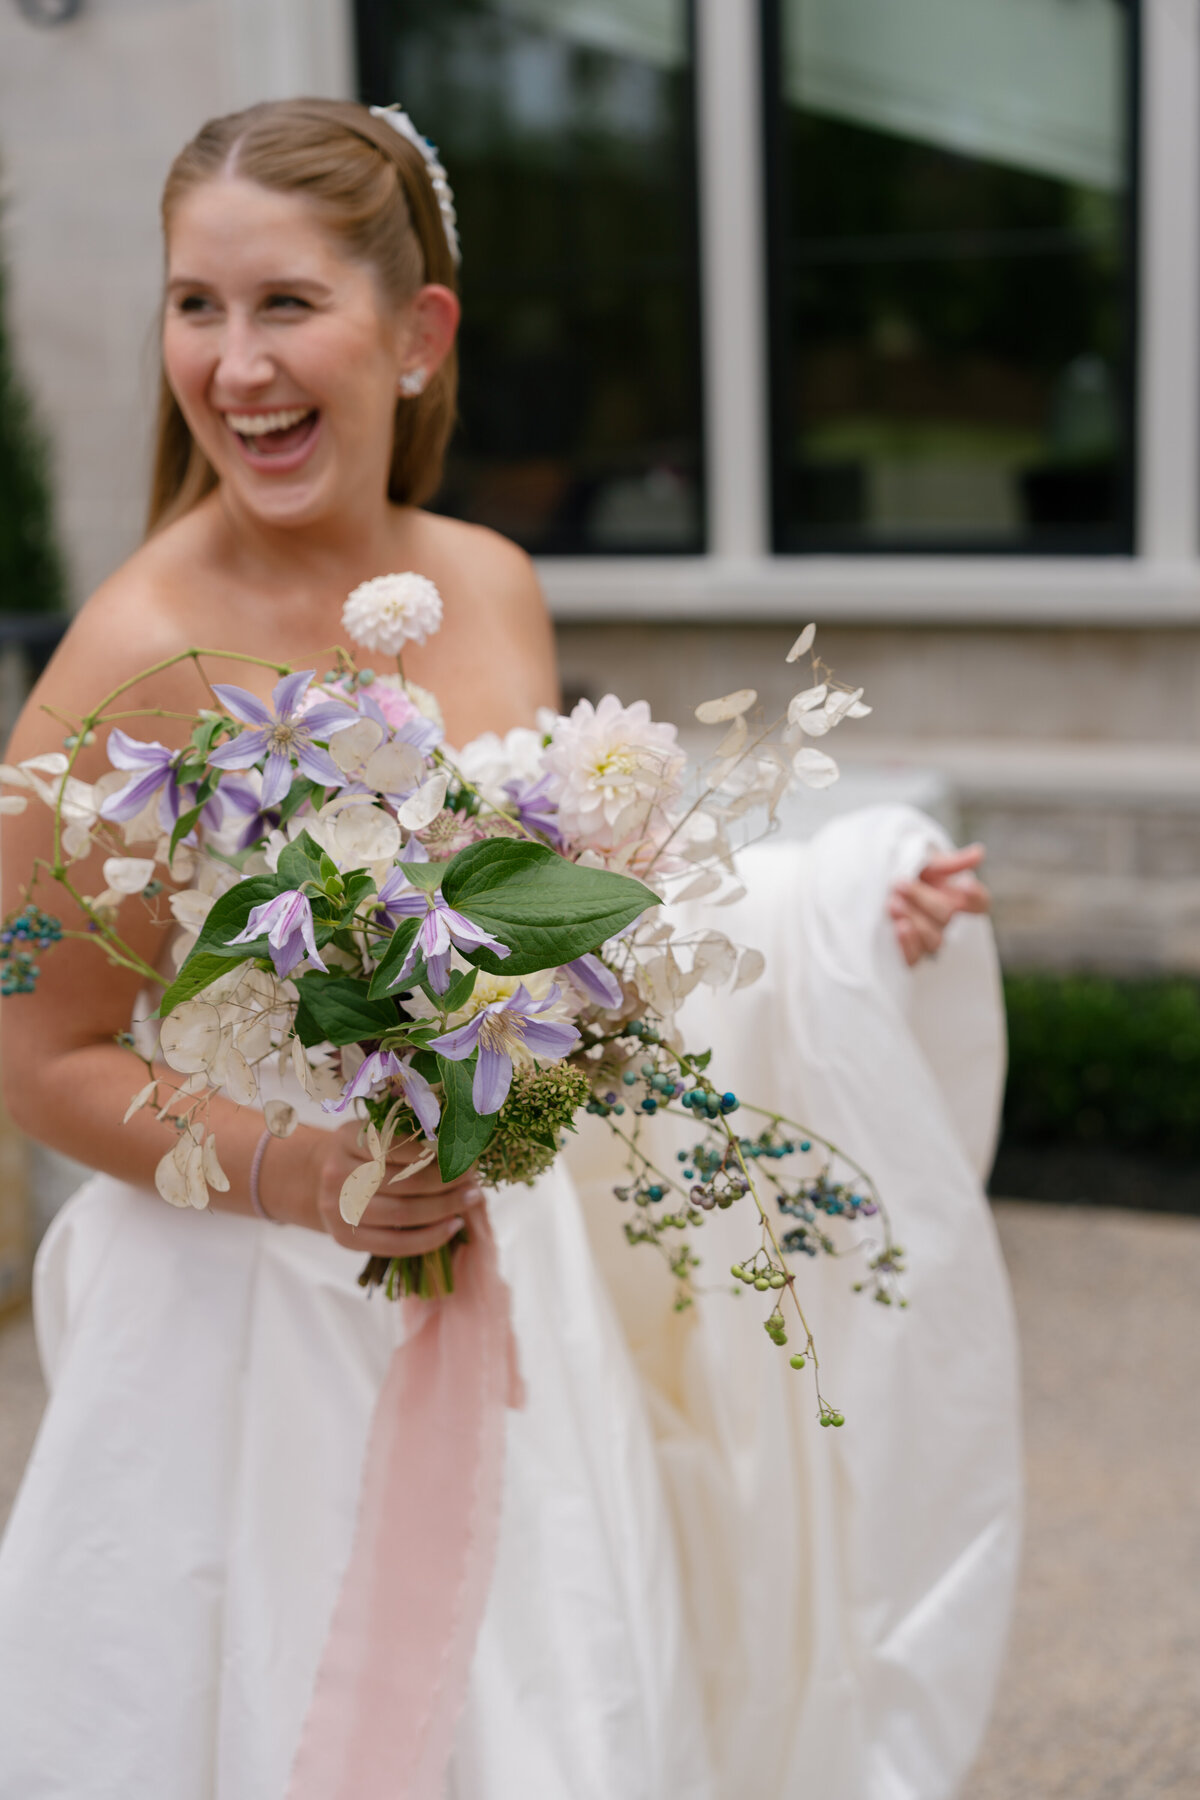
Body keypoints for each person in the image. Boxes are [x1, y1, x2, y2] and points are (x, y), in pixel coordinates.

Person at [0, 99, 1018, 1799]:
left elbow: (564, 922)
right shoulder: (131, 653)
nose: (235, 365)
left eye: (284, 305)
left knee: (549, 1708)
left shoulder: (490, 586)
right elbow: (38, 1052)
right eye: (197, 305)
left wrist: (840, 915)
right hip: (251, 1340)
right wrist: (306, 1176)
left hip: (504, 1273)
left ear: (417, 334)